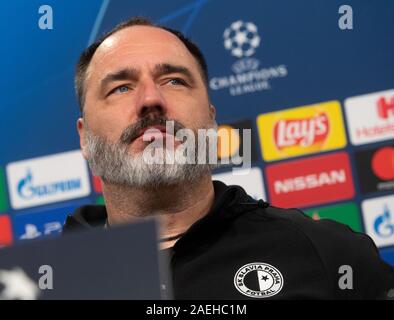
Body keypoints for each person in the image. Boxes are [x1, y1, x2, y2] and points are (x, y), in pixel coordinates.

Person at [63, 16, 394, 299]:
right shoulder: (36, 282)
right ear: (84, 137)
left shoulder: (328, 253)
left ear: (211, 121)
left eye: (174, 81)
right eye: (121, 87)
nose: (151, 99)